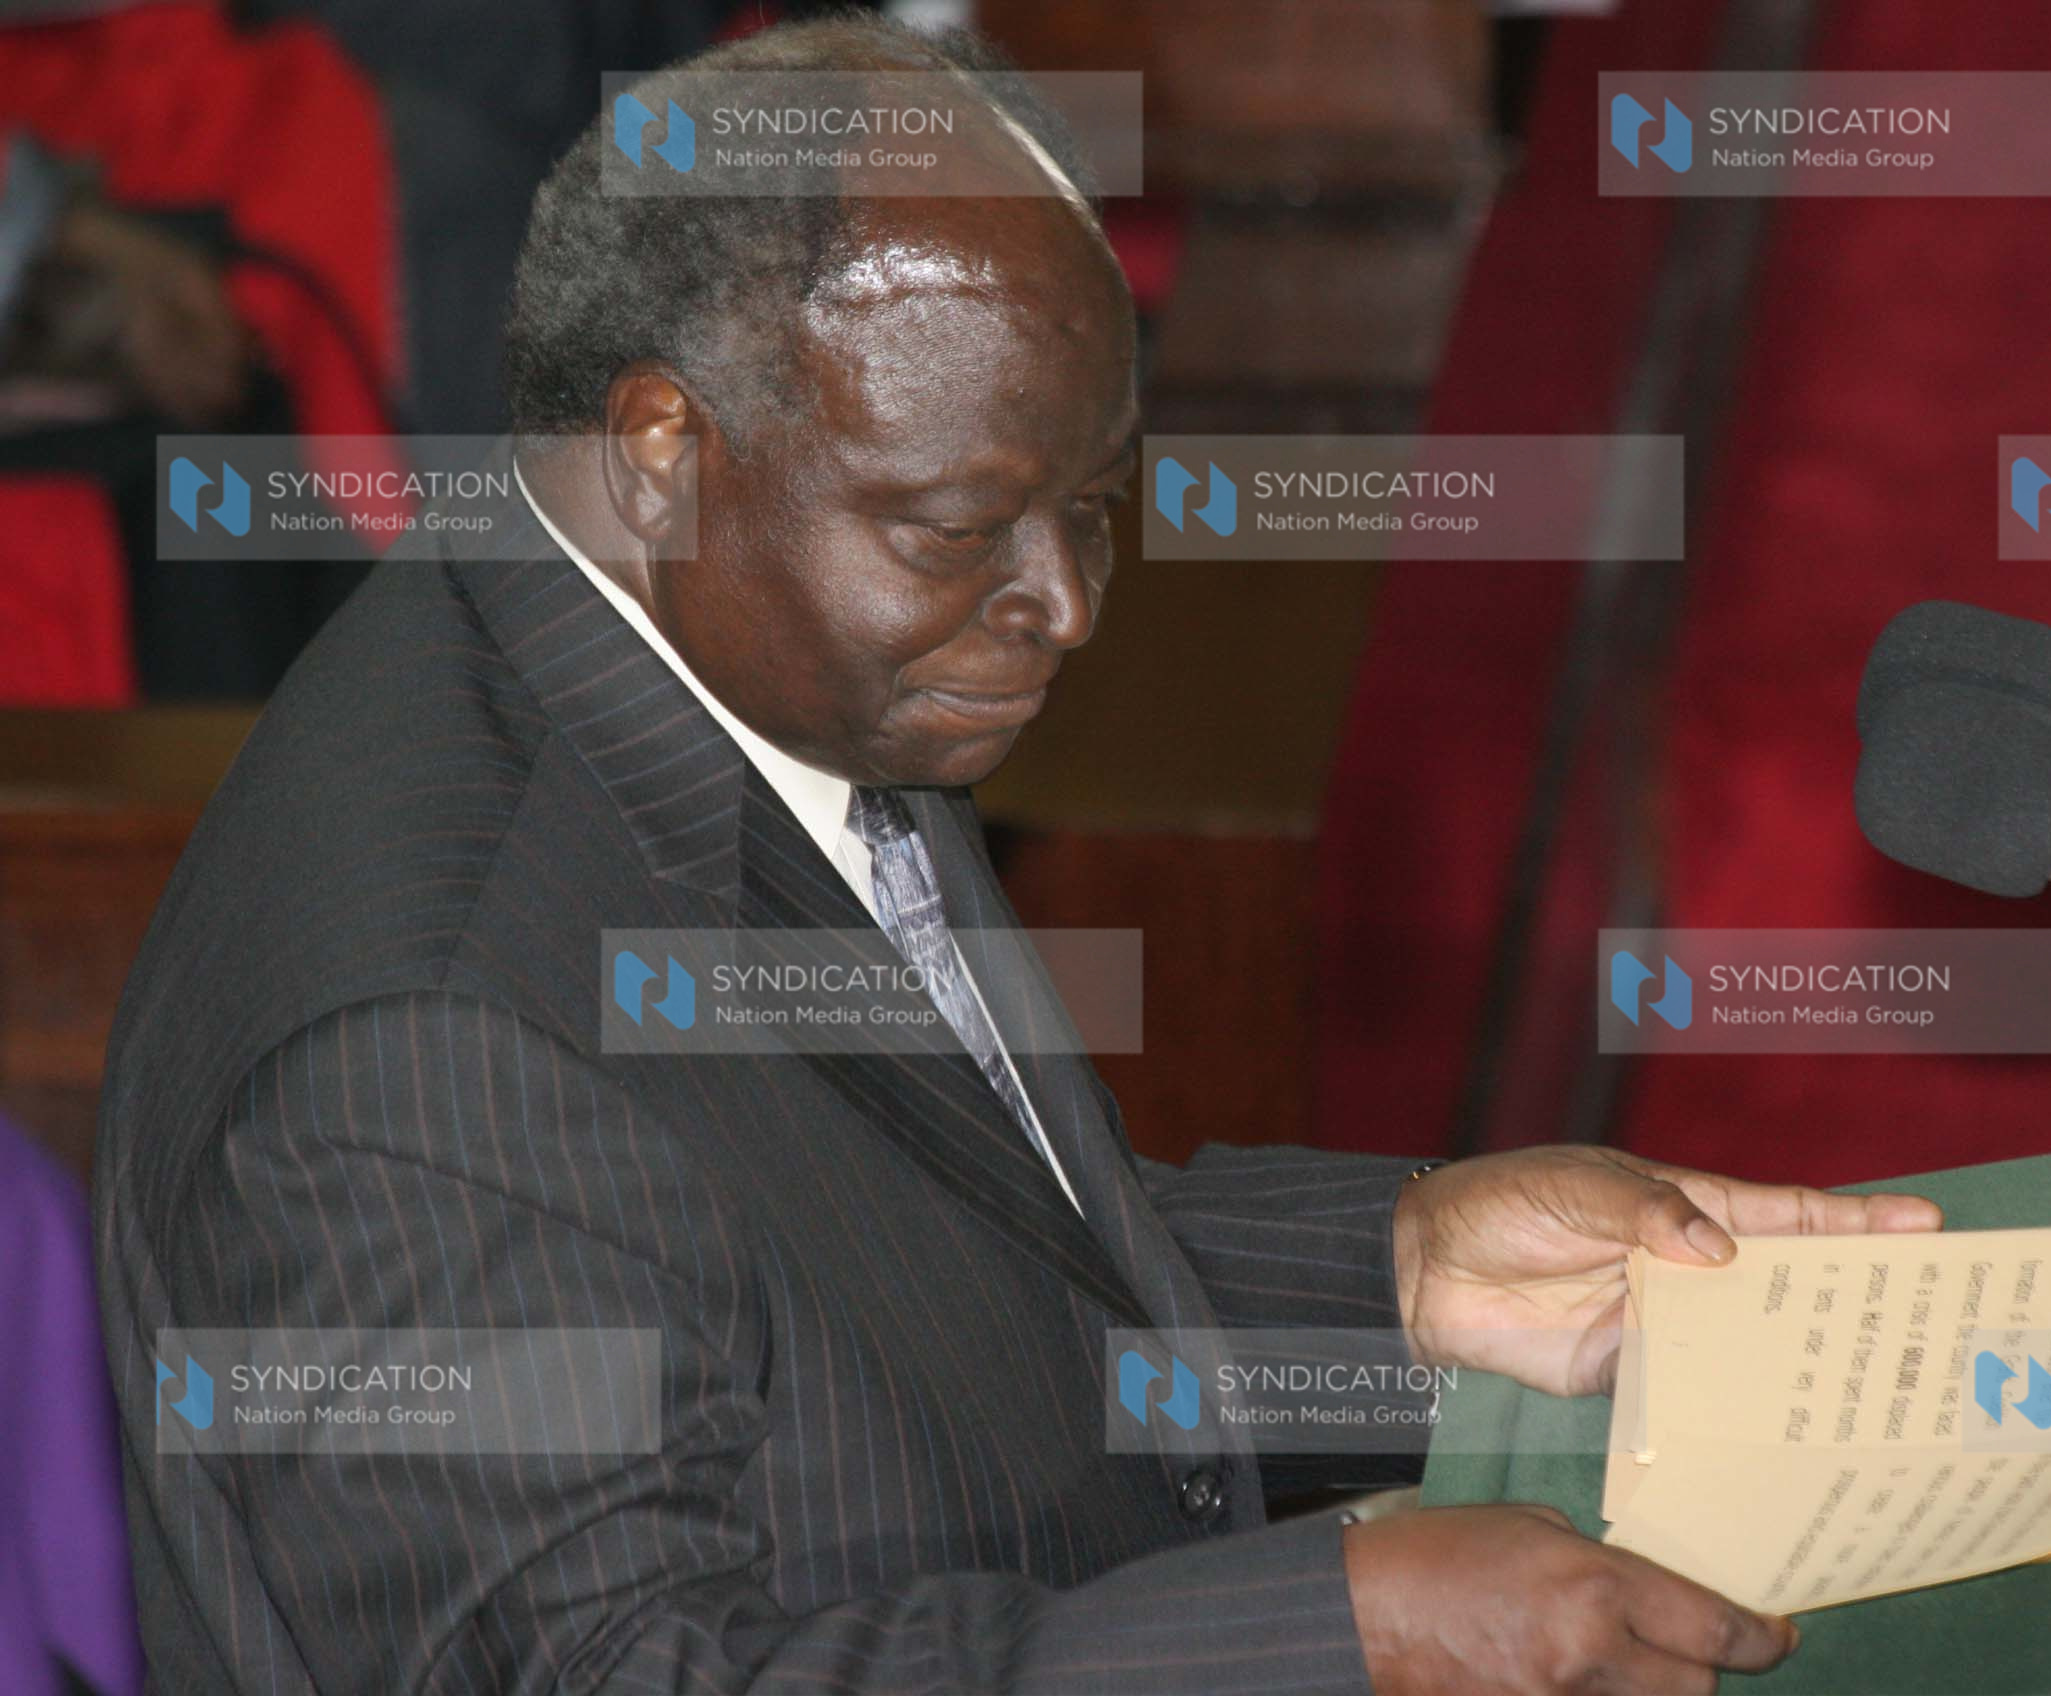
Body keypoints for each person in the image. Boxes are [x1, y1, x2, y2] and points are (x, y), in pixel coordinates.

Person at [94, 17, 1943, 1693]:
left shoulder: (740, 639)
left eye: (1091, 505)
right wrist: (1335, 1629)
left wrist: (1395, 1277)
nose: (1060, 603)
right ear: (664, 442)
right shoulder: (423, 1053)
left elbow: (873, 1272)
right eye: (965, 523)